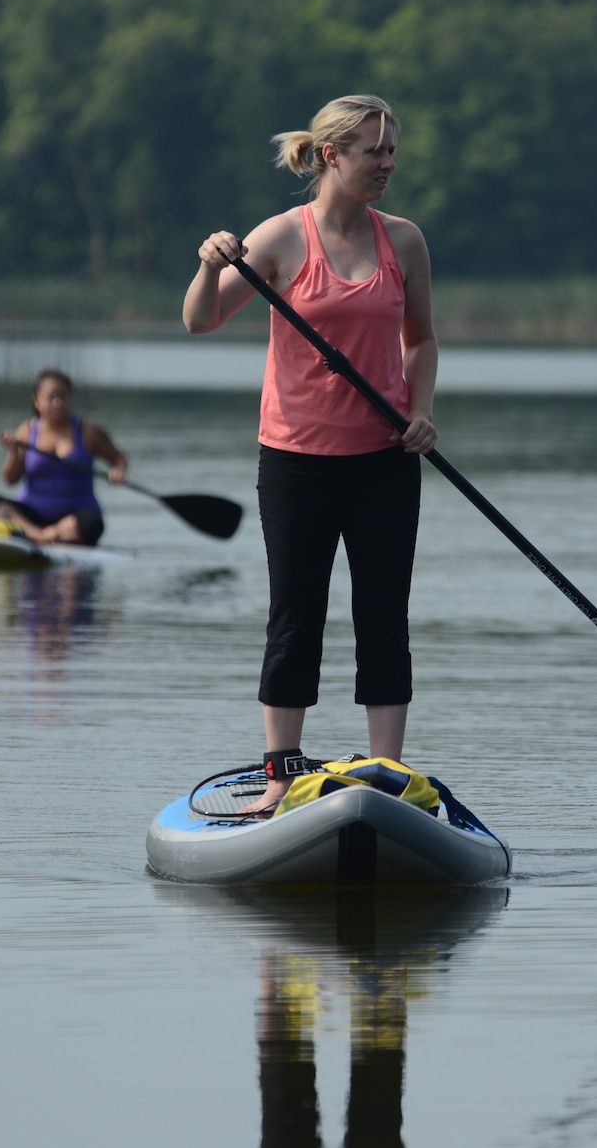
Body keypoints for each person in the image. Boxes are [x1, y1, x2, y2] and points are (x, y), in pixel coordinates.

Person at [183, 94, 438, 814]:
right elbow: (201, 320)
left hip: (386, 458)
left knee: (384, 614)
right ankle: (280, 777)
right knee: (296, 612)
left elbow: (420, 342)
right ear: (331, 155)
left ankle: (389, 773)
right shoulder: (280, 239)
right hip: (296, 460)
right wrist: (209, 265)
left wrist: (420, 412)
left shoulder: (406, 242)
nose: (387, 164)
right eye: (372, 152)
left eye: (391, 152)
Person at [0, 368, 128, 546]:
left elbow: (118, 459)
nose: (58, 403)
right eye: (51, 397)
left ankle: (42, 534)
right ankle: (40, 535)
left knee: (93, 524)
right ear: (37, 401)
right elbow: (10, 480)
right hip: (32, 515)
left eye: (63, 397)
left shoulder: (89, 432)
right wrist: (13, 452)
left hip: (74, 519)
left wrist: (118, 471)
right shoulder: (26, 431)